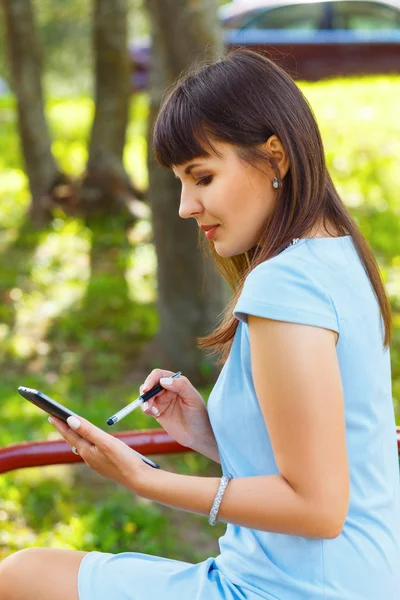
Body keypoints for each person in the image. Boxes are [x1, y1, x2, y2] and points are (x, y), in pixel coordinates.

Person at [1, 47, 399, 600]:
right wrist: (209, 435)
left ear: (275, 157)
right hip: (355, 582)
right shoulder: (340, 256)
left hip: (290, 590)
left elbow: (319, 508)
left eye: (203, 177)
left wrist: (147, 480)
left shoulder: (285, 284)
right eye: (181, 182)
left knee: (20, 577)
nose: (187, 206)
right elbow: (330, 460)